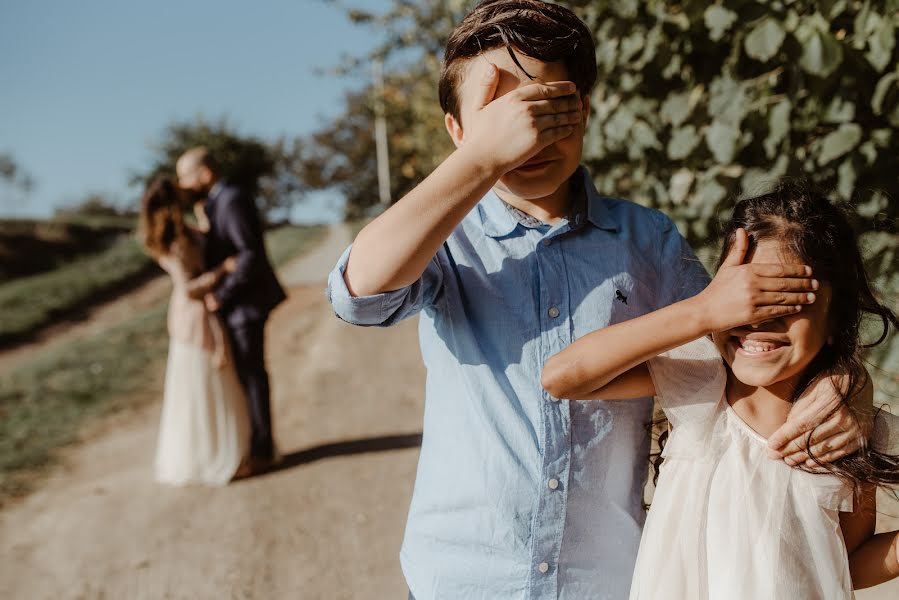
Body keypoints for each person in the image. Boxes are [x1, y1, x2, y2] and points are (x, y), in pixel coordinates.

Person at [326, 1, 867, 597]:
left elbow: (737, 359)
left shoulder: (648, 239)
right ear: (459, 132)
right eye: (501, 117)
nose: (526, 137)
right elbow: (360, 294)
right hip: (464, 575)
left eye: (547, 108)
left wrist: (847, 386)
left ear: (583, 108)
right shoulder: (444, 238)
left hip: (606, 577)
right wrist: (481, 157)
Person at [542, 181, 899, 599]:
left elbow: (846, 562)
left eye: (788, 303)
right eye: (747, 300)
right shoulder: (699, 376)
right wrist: (703, 310)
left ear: (836, 318)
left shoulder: (846, 432)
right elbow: (562, 376)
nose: (759, 322)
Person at [176, 147, 287, 471]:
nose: (183, 184)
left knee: (252, 376)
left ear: (205, 173)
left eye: (186, 177)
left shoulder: (232, 199)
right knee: (246, 374)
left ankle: (263, 452)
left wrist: (222, 294)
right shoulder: (214, 204)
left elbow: (248, 253)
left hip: (246, 304)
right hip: (237, 305)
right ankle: (256, 445)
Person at [139, 175, 251, 485]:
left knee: (218, 382)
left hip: (207, 311)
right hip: (193, 316)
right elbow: (188, 288)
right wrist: (221, 271)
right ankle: (209, 455)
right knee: (201, 385)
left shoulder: (186, 231)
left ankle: (231, 450)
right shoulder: (170, 243)